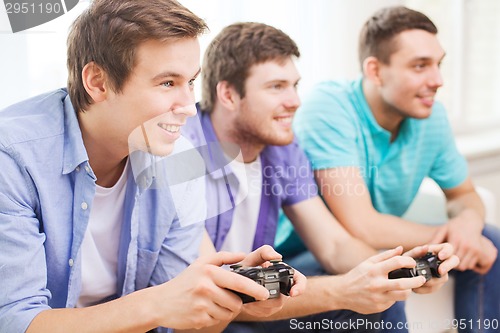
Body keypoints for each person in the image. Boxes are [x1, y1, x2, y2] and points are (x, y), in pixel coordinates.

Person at [0, 1, 306, 332]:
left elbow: (175, 325)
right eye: (167, 83)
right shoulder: (14, 157)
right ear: (98, 82)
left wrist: (221, 297)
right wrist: (160, 303)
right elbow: (16, 321)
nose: (190, 107)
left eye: (190, 82)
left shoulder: (181, 161)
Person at [182, 22, 459, 333]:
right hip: (205, 316)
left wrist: (395, 271)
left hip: (255, 294)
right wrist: (342, 289)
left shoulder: (280, 148)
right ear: (229, 94)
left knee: (382, 300)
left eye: (294, 86)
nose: (295, 101)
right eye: (276, 87)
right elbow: (213, 294)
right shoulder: (182, 155)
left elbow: (334, 245)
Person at [278, 5, 500, 332]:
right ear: (375, 70)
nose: (437, 80)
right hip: (304, 257)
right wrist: (455, 240)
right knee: (383, 292)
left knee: (488, 238)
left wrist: (467, 224)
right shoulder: (329, 107)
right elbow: (361, 225)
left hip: (372, 246)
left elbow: (463, 194)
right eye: (420, 66)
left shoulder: (431, 116)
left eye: (438, 65)